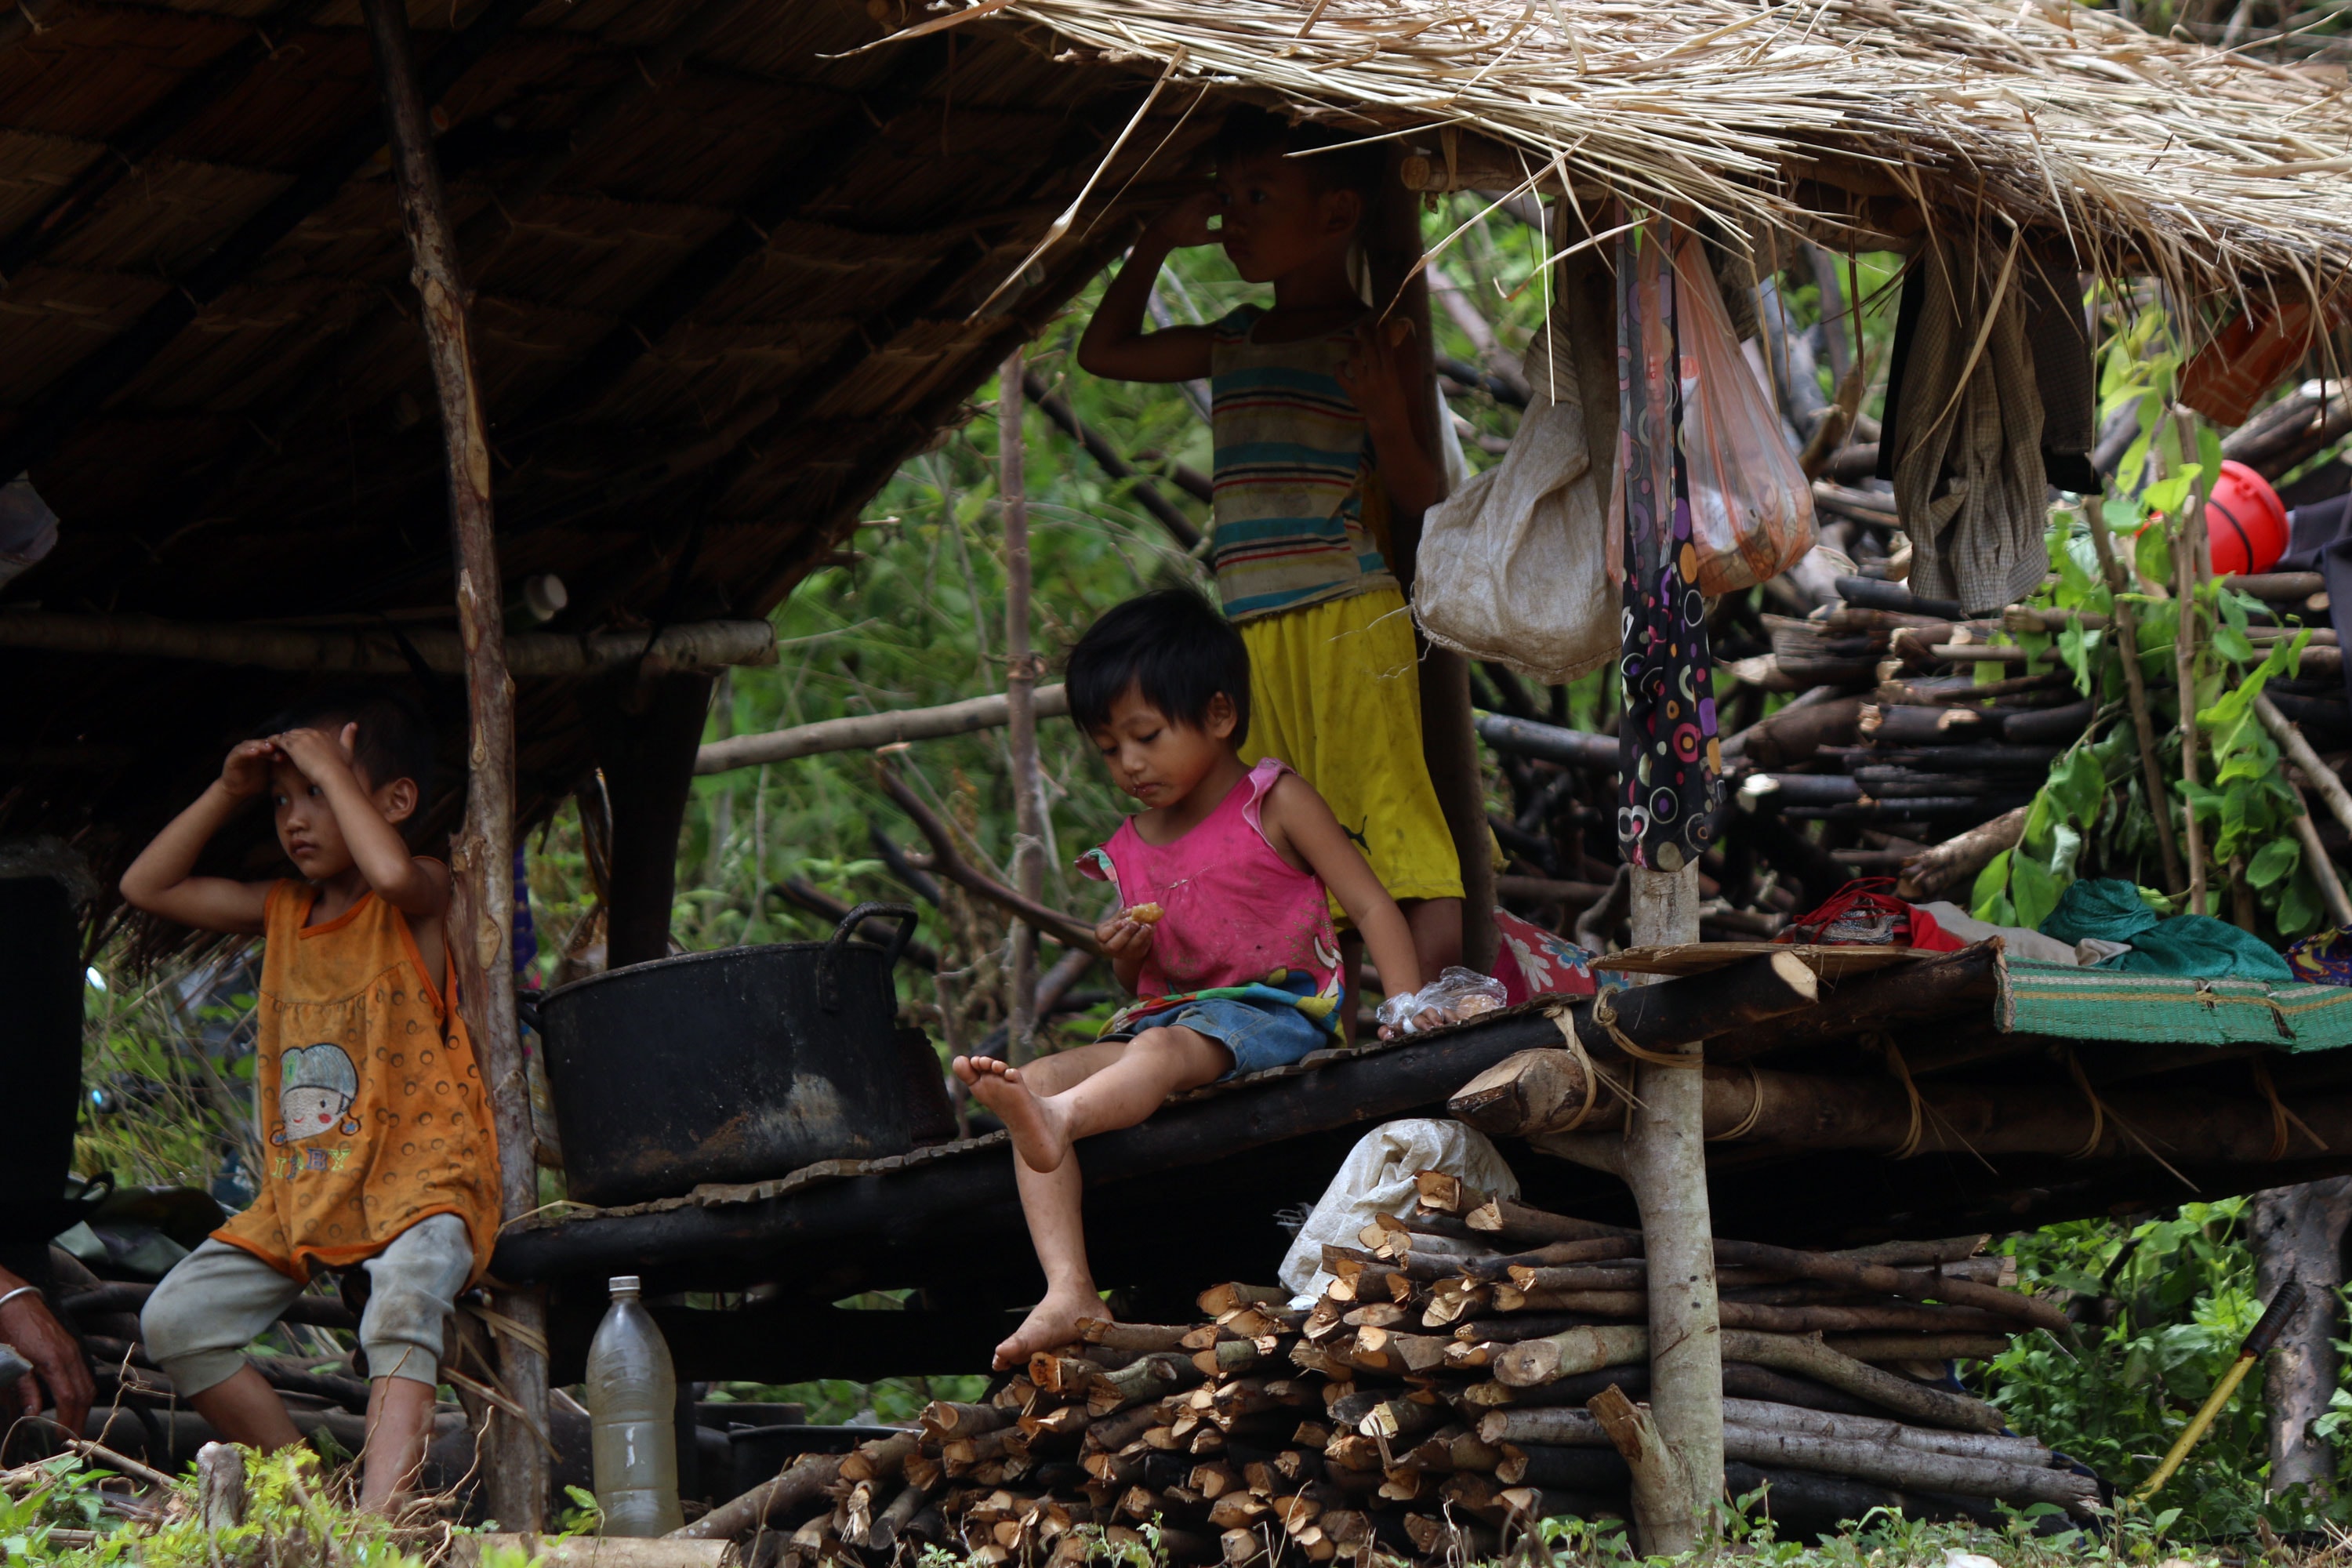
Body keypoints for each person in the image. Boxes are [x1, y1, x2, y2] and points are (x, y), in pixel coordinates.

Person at [956, 590, 1443, 1367]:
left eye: (1145, 736)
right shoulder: (1130, 844)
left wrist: (1408, 1003)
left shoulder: (1273, 800)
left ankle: (1057, 1120)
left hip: (1277, 1009)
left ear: (1219, 715)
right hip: (1174, 1016)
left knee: (1158, 1054)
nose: (1129, 764)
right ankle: (1069, 1283)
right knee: (1039, 1074)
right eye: (1109, 749)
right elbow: (1139, 984)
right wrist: (1123, 949)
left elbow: (1371, 904)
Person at [1076, 107, 1465, 978]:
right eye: (1225, 196)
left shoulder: (1375, 336)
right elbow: (1103, 353)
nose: (1234, 218)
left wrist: (1380, 412)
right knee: (1289, 836)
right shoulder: (1234, 342)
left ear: (1335, 214)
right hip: (1248, 636)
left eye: (1258, 194)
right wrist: (1156, 242)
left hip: (1348, 618)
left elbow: (1421, 493)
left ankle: (1437, 1010)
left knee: (1391, 816)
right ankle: (1343, 1039)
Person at [119, 689, 499, 1511]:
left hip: (424, 1181)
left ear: (394, 800)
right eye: (285, 798)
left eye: (320, 792)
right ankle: (317, 1504)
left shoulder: (420, 892)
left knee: (402, 1297)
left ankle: (381, 1528)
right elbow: (145, 885)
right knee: (176, 1320)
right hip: (310, 1187)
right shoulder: (282, 910)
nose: (295, 817)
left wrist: (325, 759)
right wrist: (230, 789)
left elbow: (393, 869)